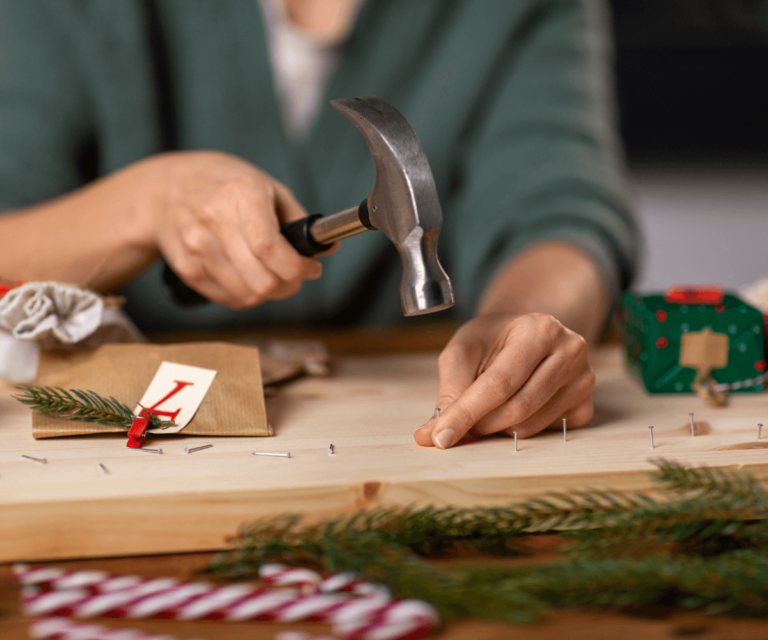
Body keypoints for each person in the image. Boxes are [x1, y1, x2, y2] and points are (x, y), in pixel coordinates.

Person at [0, 0, 638, 449]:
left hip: (403, 428)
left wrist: (528, 319)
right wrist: (149, 202)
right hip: (123, 434)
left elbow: (561, 208)